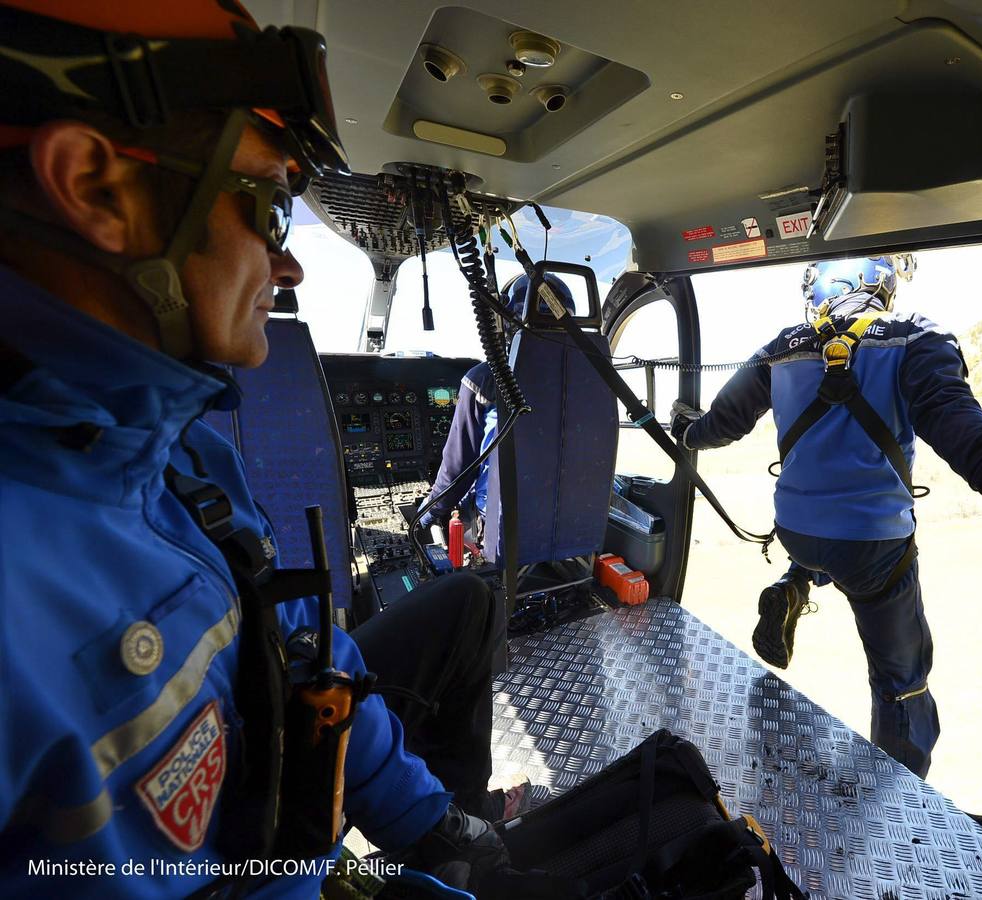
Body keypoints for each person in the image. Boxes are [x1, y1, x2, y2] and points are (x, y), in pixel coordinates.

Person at [0, 2, 513, 896]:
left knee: (466, 601)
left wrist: (427, 831)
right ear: (91, 186)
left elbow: (307, 654)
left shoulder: (187, 452)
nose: (291, 266)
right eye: (273, 208)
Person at [670, 255, 982, 777]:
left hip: (797, 530)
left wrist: (685, 430)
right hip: (872, 544)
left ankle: (794, 582)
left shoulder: (781, 346)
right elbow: (951, 418)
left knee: (823, 553)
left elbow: (721, 425)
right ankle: (900, 789)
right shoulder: (915, 336)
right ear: (879, 286)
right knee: (902, 679)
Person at [422, 273, 575, 537]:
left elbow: (458, 469)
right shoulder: (591, 376)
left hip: (506, 526)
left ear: (504, 319)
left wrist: (429, 513)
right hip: (574, 519)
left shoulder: (485, 378)